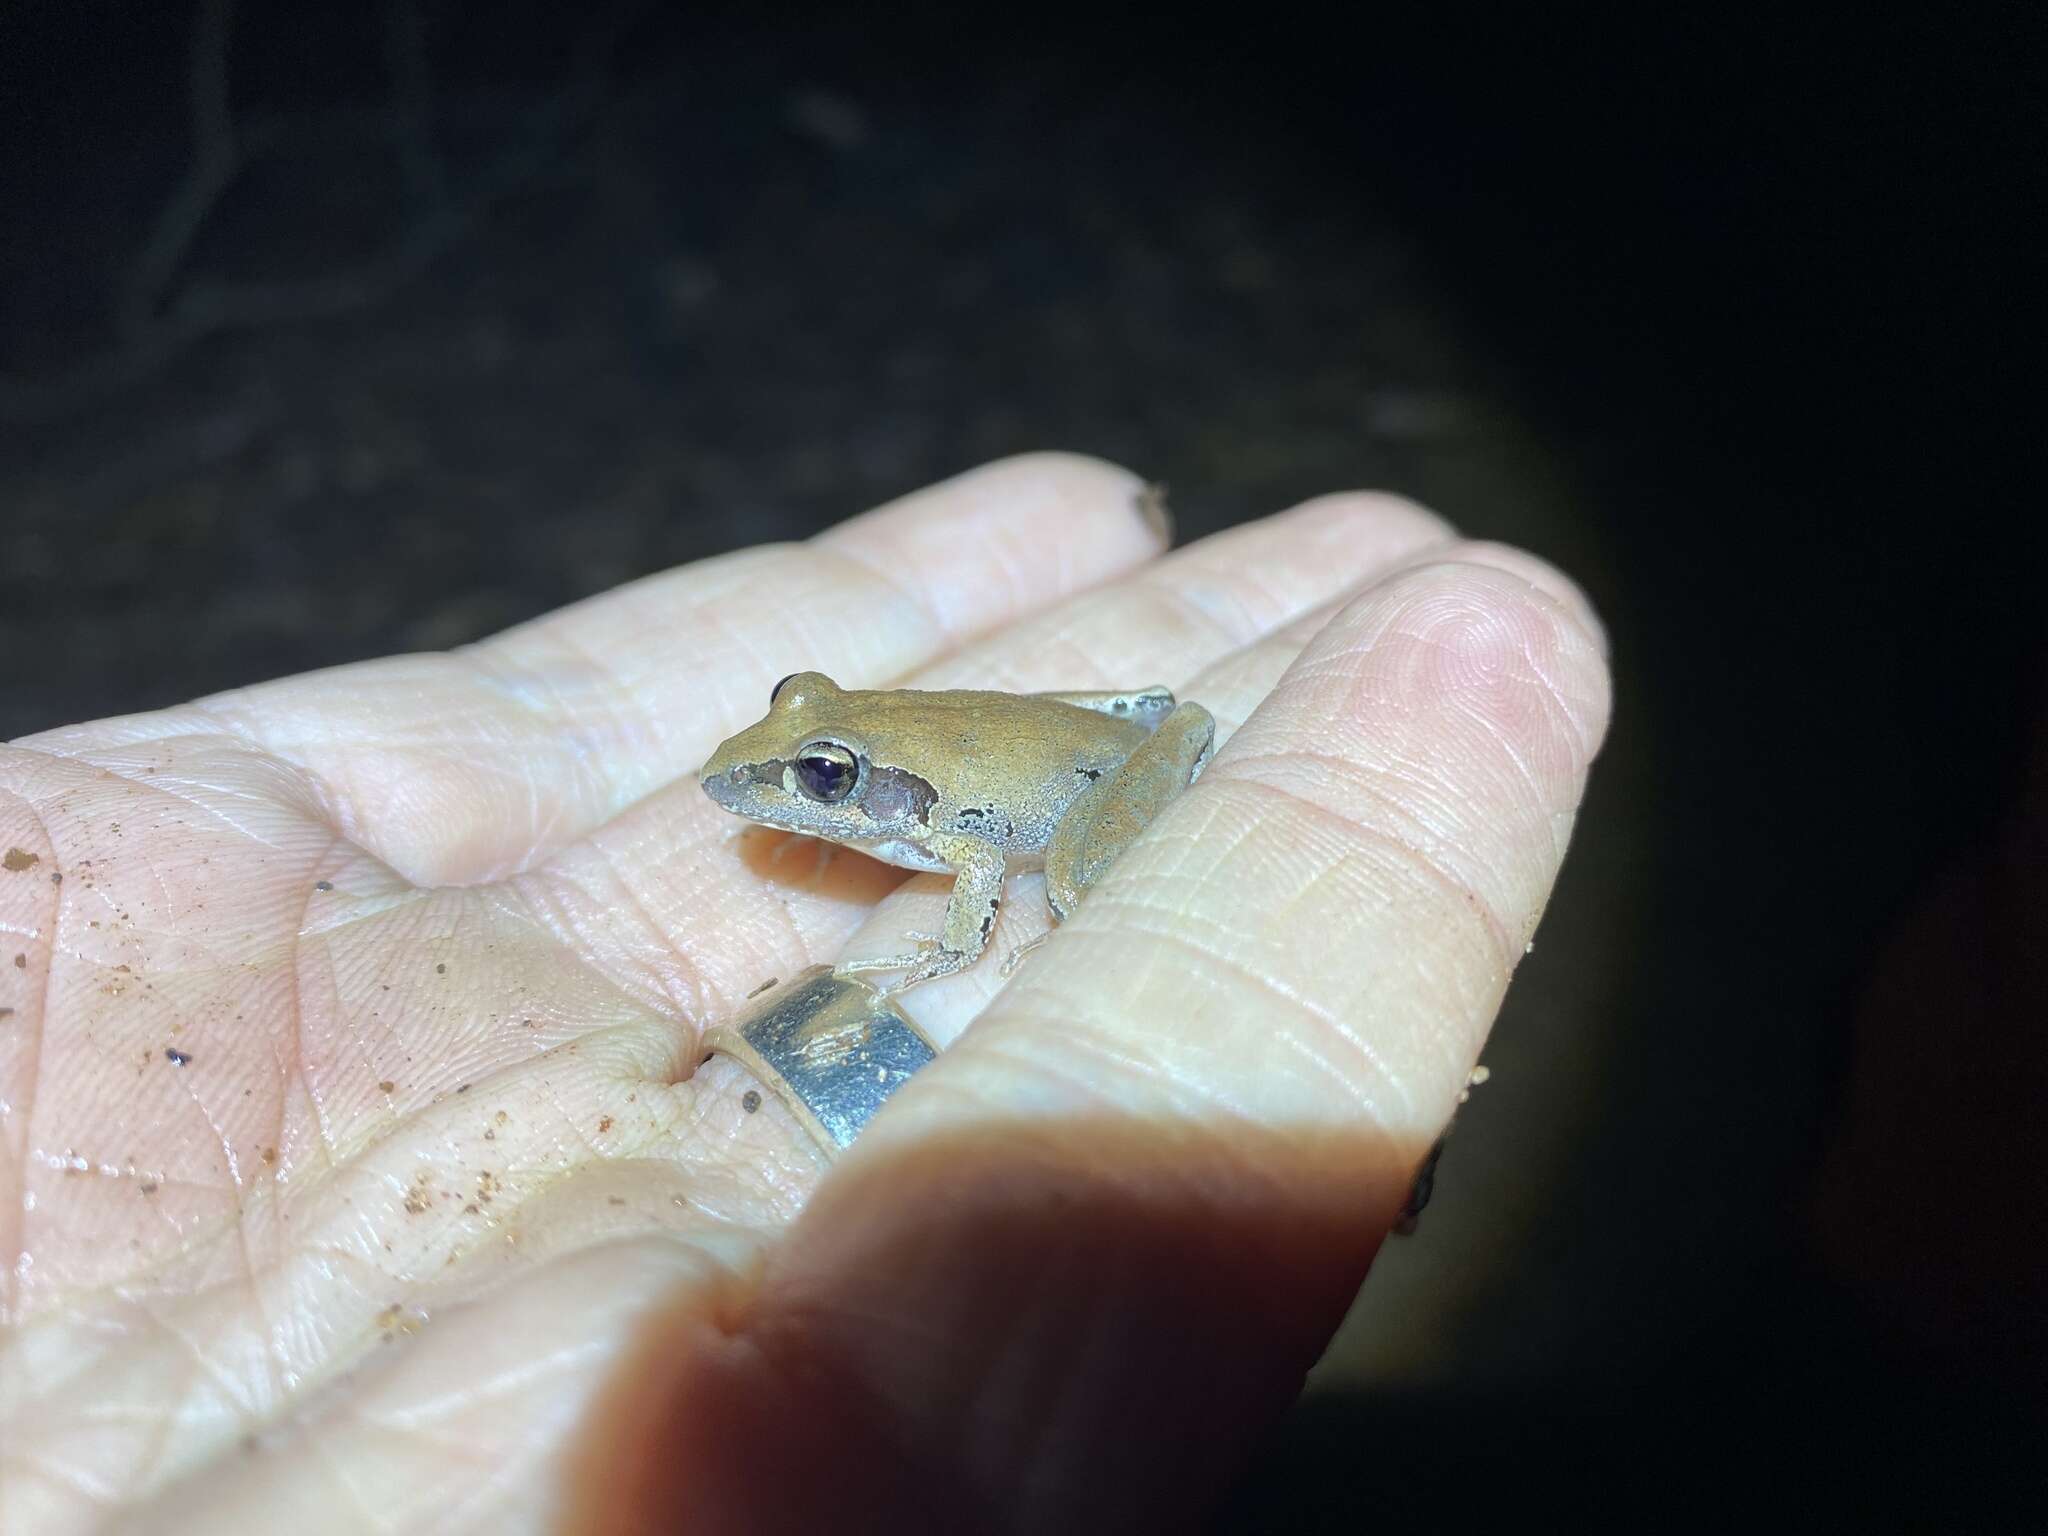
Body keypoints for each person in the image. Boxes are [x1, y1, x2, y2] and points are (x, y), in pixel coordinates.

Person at [0, 453, 1610, 1531]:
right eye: (805, 741)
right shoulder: (828, 768)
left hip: (1071, 784)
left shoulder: (952, 835)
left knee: (1069, 878)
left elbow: (980, 871)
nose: (791, 790)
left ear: (874, 789)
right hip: (1082, 720)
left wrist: (949, 931)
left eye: (824, 776)